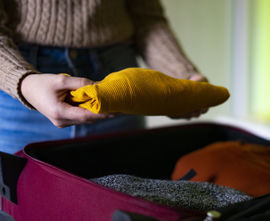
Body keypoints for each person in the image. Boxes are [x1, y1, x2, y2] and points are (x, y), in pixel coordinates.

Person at [0, 0, 208, 154]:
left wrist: (183, 75)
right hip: (23, 89)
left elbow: (146, 19)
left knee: (121, 203)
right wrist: (23, 82)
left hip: (118, 84)